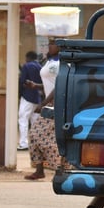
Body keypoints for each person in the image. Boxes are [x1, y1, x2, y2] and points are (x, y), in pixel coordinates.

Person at [25, 42, 65, 180]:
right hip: (50, 103)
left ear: (60, 46)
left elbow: (60, 86)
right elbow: (50, 84)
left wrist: (43, 103)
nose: (50, 46)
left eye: (53, 44)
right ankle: (40, 169)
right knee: (35, 135)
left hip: (56, 104)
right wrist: (36, 86)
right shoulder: (50, 62)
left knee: (44, 138)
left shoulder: (62, 63)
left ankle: (59, 169)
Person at [17, 51, 42, 150]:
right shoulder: (40, 67)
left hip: (27, 97)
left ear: (28, 57)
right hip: (37, 98)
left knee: (23, 119)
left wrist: (20, 94)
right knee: (35, 121)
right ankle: (36, 144)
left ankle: (23, 143)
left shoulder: (26, 66)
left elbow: (22, 80)